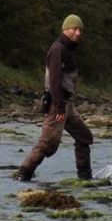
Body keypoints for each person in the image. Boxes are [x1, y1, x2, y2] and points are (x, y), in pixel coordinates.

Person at [14, 14, 93, 181]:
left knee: (84, 136)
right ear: (65, 30)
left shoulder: (69, 49)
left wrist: (65, 106)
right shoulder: (58, 49)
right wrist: (59, 107)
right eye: (74, 29)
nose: (78, 33)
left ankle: (85, 175)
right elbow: (54, 80)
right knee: (48, 143)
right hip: (57, 104)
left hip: (66, 104)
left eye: (80, 30)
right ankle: (24, 173)